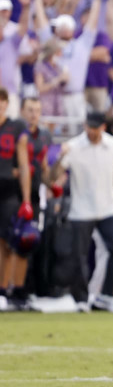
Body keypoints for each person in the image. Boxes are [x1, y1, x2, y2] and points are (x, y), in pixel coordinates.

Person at [51, 112, 113, 312]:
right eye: (88, 127)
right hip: (81, 209)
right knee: (78, 256)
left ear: (103, 127)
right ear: (85, 126)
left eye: (95, 127)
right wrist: (60, 157)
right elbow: (53, 177)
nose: (91, 131)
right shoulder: (73, 147)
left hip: (109, 206)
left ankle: (106, 296)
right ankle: (81, 299)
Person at [2, 98, 49, 309]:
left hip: (27, 193)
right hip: (12, 191)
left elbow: (38, 166)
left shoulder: (43, 135)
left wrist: (50, 183)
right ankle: (7, 290)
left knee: (24, 242)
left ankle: (17, 291)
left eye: (37, 110)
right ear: (22, 110)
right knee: (6, 243)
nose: (34, 114)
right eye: (30, 110)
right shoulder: (15, 129)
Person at [0, 89, 33, 311]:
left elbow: (23, 164)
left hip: (8, 191)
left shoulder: (16, 127)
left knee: (7, 242)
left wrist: (27, 198)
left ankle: (4, 290)